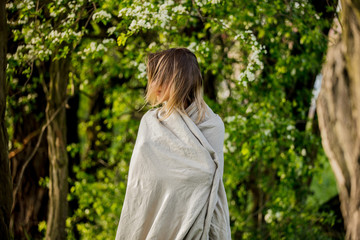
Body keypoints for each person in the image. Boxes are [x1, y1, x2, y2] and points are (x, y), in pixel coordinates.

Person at [115, 48, 231, 240]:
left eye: (159, 78)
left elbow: (207, 178)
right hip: (153, 228)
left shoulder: (211, 125)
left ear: (178, 80)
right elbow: (140, 186)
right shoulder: (151, 123)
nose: (153, 86)